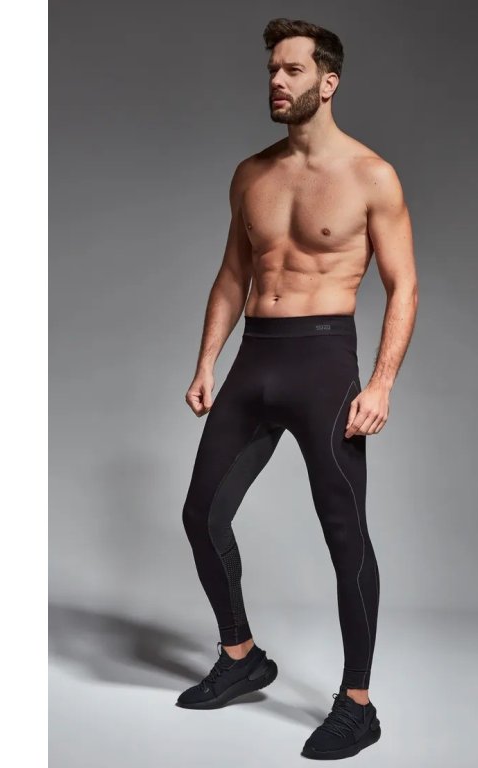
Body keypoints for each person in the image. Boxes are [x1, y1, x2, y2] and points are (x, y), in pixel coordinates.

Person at [176, 17, 418, 761]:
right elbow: (232, 275)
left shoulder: (371, 176)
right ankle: (242, 656)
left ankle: (357, 705)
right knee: (201, 515)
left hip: (324, 366)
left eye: (291, 70)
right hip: (256, 359)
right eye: (271, 71)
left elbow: (404, 286)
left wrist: (381, 383)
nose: (276, 82)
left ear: (327, 81)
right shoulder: (251, 174)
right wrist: (206, 361)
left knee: (344, 533)